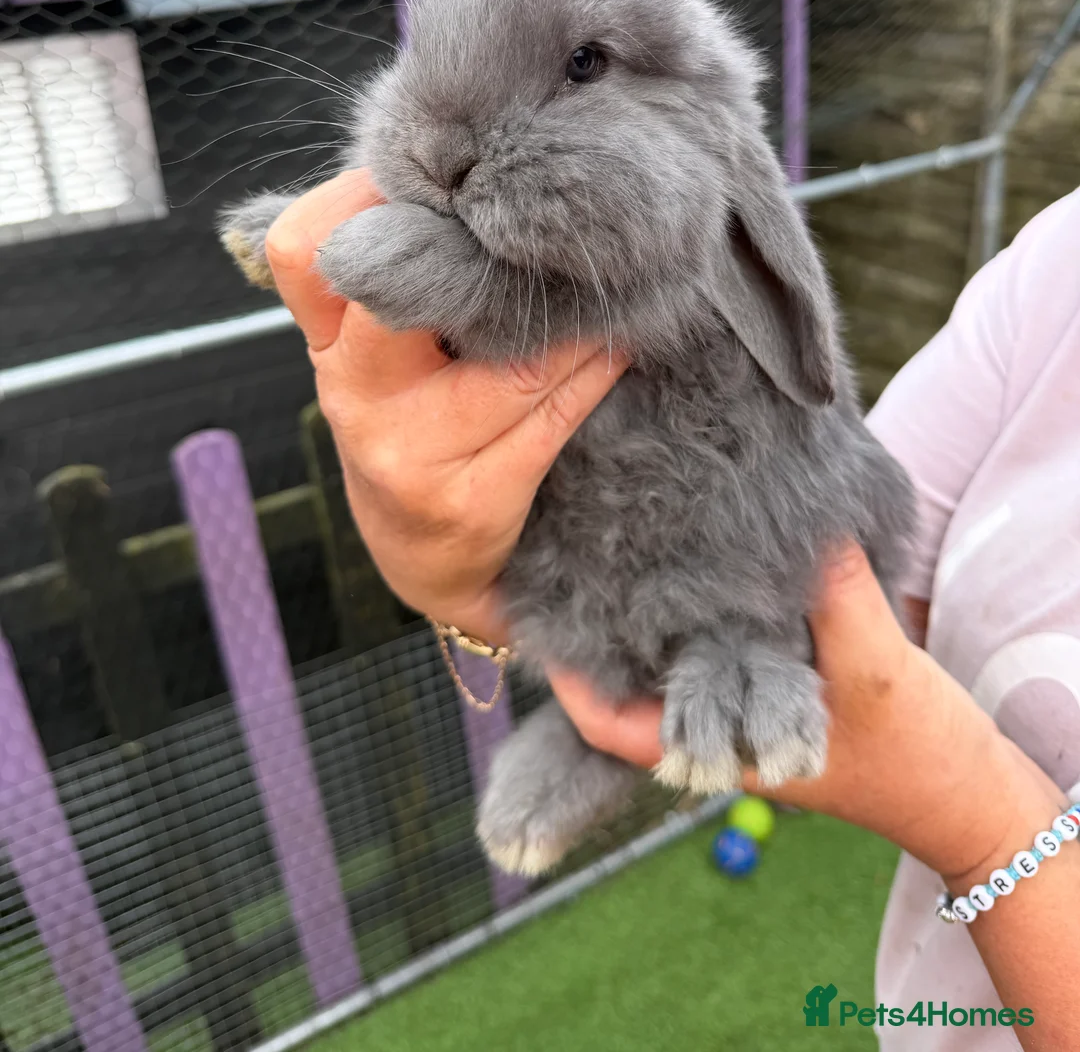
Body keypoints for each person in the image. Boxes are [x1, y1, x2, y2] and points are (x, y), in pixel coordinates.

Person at [263, 169, 1080, 1051]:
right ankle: (625, 702)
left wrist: (986, 831)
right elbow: (868, 583)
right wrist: (455, 573)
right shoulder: (1057, 270)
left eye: (585, 67)